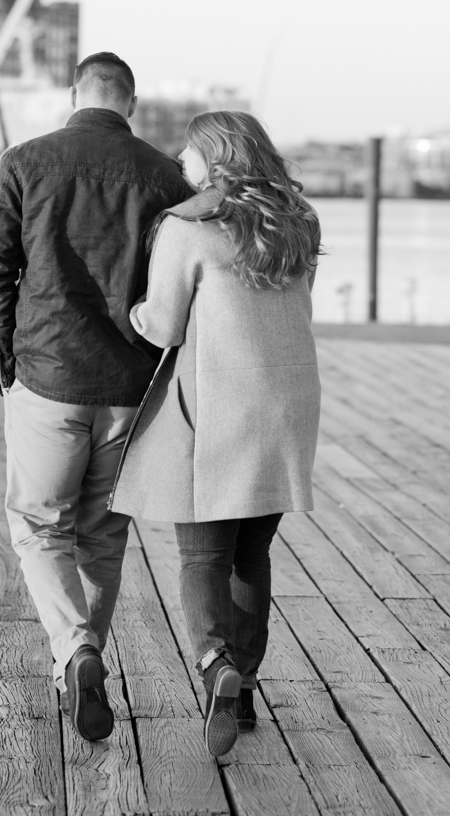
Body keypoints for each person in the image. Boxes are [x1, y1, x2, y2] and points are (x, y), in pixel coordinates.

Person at [0, 52, 191, 742]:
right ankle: (78, 660)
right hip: (129, 384)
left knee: (39, 526)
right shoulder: (165, 176)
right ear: (130, 102)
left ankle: (76, 653)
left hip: (48, 375)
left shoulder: (25, 160)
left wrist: (5, 356)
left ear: (76, 94)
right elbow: (178, 287)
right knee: (102, 535)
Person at [110, 110, 322, 757]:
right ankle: (245, 687)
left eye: (189, 151)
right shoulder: (298, 221)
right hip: (288, 404)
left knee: (203, 554)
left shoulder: (190, 225)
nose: (180, 161)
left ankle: (214, 664)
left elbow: (164, 325)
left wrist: (127, 307)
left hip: (218, 406)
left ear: (216, 155)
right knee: (251, 555)